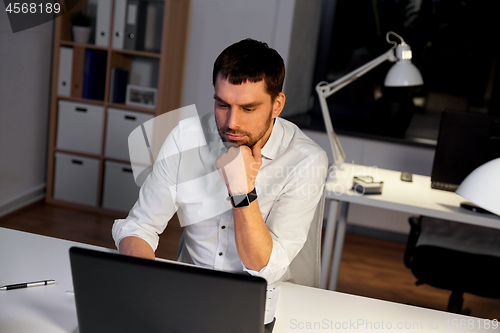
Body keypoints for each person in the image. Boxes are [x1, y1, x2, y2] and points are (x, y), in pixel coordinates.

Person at [112, 38, 328, 285]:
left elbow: (265, 267)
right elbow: (139, 226)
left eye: (248, 109)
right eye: (222, 104)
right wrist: (142, 282)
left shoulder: (306, 160)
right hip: (190, 287)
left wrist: (242, 190)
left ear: (276, 105)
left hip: (262, 294)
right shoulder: (186, 137)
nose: (231, 122)